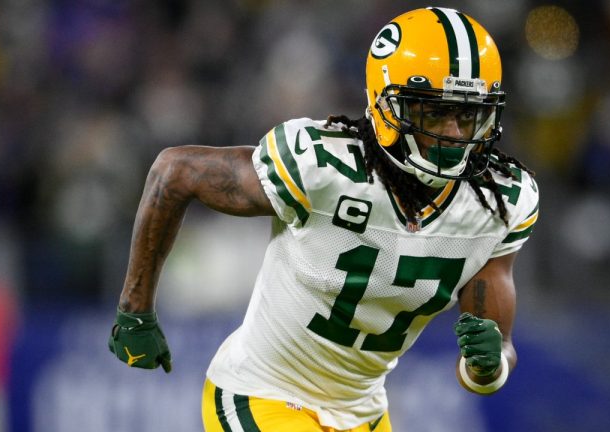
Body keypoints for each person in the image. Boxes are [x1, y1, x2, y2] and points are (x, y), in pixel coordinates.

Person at [108, 6, 539, 432]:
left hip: (363, 414)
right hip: (263, 392)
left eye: (467, 114)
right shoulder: (323, 166)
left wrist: (489, 366)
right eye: (432, 112)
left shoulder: (498, 203)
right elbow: (175, 171)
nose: (453, 133)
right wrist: (135, 309)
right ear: (386, 106)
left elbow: (493, 352)